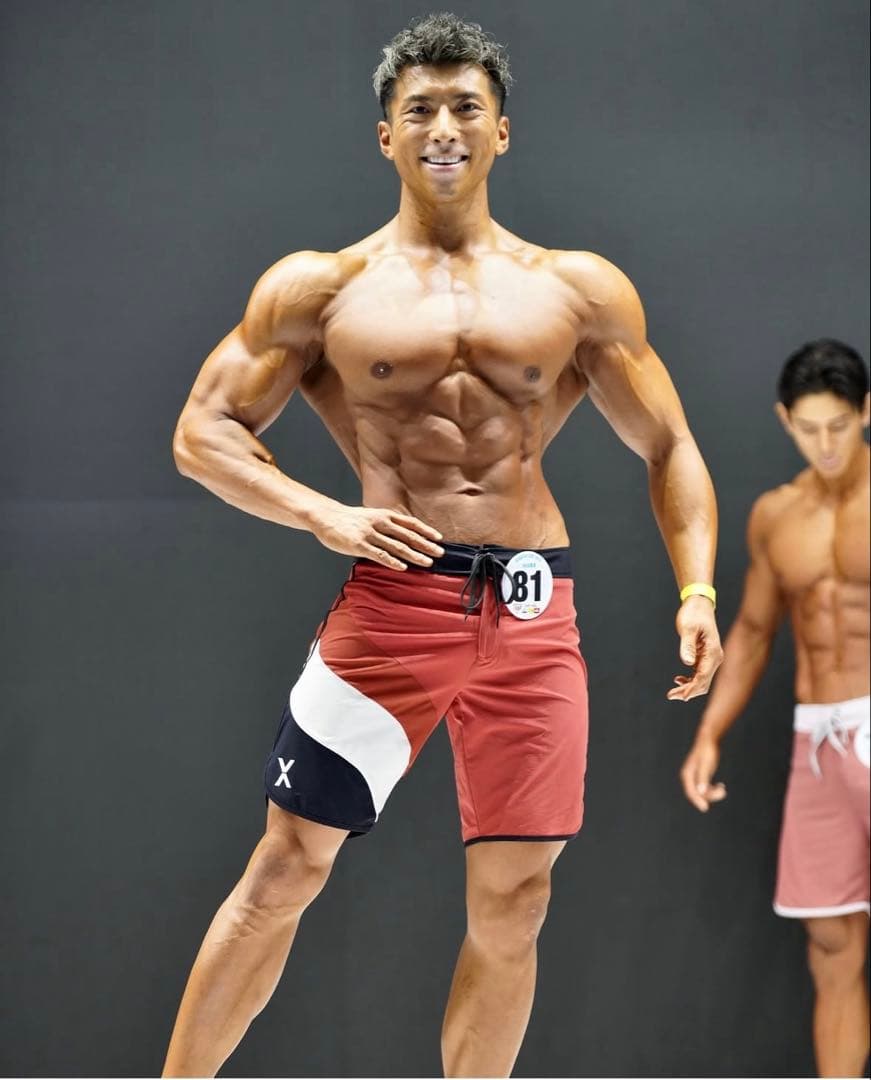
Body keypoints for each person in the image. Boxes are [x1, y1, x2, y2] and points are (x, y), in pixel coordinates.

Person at [163, 13, 722, 1078]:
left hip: (533, 614)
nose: (444, 128)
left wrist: (695, 591)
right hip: (395, 611)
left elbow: (671, 446)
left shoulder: (576, 288)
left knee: (517, 901)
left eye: (466, 107)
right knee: (286, 869)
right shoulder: (321, 287)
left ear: (501, 129)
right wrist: (321, 513)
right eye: (419, 109)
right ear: (386, 135)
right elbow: (201, 433)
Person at [680, 340, 870, 1078]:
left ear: (865, 413)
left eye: (839, 426)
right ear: (784, 420)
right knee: (830, 946)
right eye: (809, 428)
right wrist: (709, 732)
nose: (825, 445)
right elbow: (755, 631)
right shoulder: (775, 515)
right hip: (817, 743)